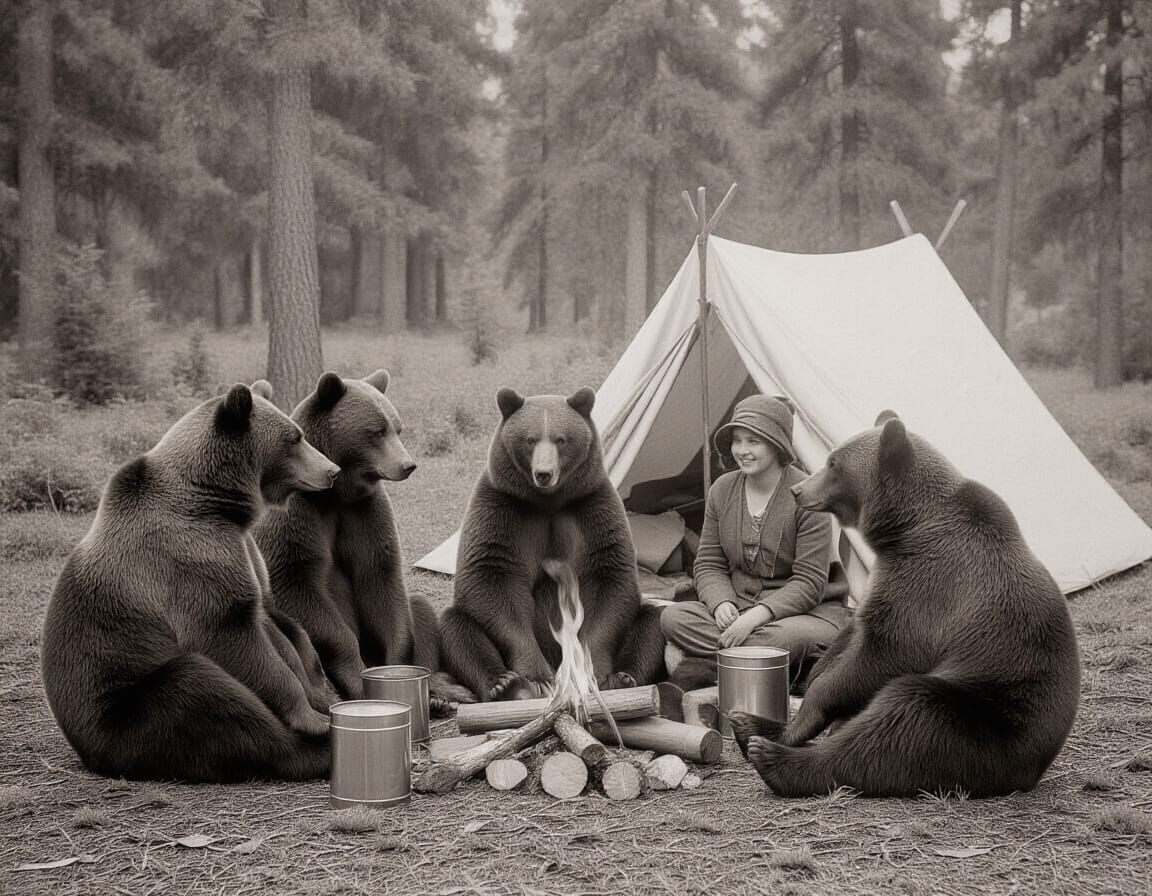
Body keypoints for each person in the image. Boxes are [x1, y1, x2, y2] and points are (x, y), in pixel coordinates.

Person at [660, 394, 850, 691]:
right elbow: (709, 563)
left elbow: (810, 582)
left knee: (776, 640)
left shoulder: (808, 495)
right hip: (737, 606)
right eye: (737, 440)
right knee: (672, 618)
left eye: (753, 441)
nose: (742, 451)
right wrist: (721, 601)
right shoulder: (722, 490)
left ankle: (730, 663)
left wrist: (753, 620)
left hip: (801, 615)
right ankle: (768, 667)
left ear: (777, 445)